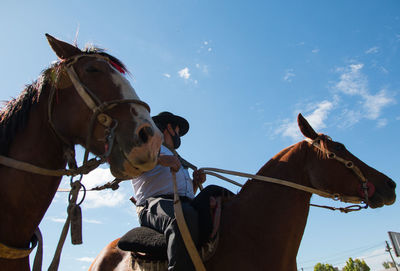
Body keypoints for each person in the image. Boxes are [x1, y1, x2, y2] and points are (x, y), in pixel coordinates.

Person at [131, 111, 207, 271]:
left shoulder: (178, 158)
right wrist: (159, 160)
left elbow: (183, 193)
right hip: (152, 205)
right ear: (168, 128)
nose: (179, 135)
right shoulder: (146, 147)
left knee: (215, 193)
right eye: (178, 131)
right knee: (182, 217)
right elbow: (127, 167)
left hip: (181, 203)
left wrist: (195, 183)